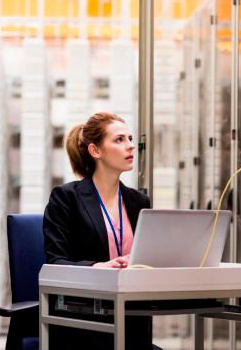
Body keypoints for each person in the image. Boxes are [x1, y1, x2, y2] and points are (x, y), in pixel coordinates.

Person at [43, 112, 153, 349]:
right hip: (83, 320)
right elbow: (55, 261)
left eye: (130, 138)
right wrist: (97, 266)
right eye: (119, 139)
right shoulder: (66, 197)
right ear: (95, 151)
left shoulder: (139, 201)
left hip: (132, 316)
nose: (131, 145)